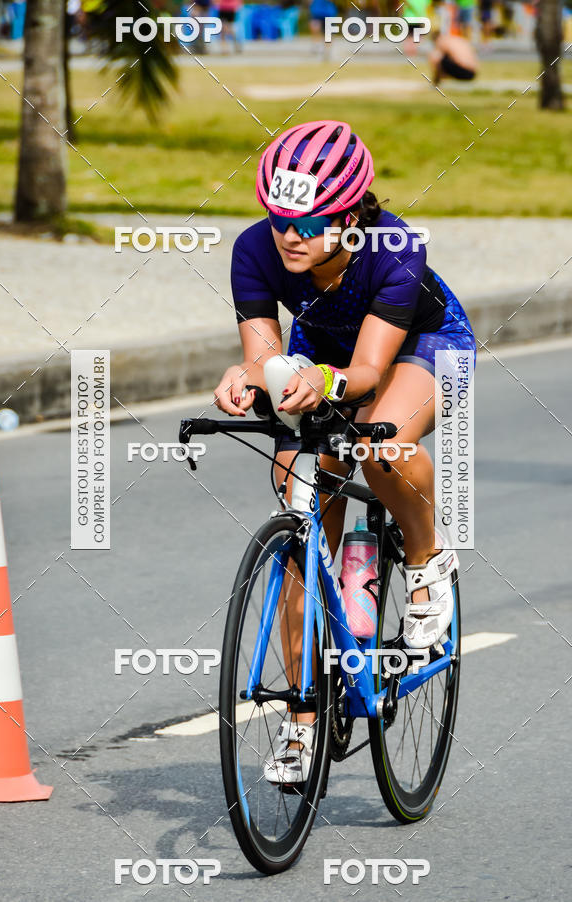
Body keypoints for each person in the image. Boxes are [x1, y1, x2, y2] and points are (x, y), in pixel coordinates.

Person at [214, 120, 476, 784]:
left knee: (379, 446)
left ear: (354, 214)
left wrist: (322, 381)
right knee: (301, 505)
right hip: (327, 355)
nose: (290, 234)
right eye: (279, 217)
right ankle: (303, 719)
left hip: (423, 346)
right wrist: (245, 377)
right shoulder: (256, 248)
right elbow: (263, 355)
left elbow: (364, 373)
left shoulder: (394, 248)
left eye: (311, 221)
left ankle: (425, 561)